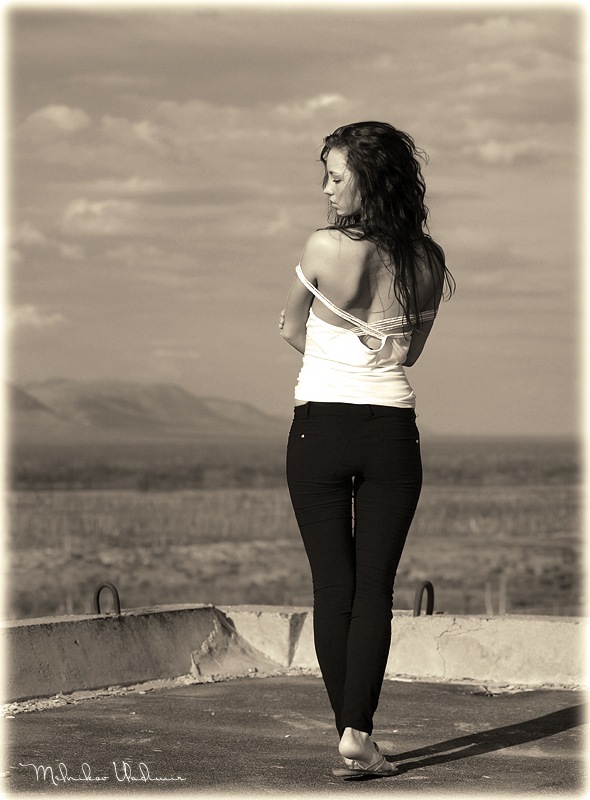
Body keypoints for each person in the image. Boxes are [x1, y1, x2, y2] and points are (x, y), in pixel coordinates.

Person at [279, 121, 455, 778]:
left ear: (368, 180)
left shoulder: (323, 247)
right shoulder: (428, 262)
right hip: (391, 433)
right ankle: (359, 733)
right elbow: (408, 354)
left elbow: (290, 327)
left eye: (335, 176)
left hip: (319, 428)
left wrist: (331, 357)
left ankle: (349, 733)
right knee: (375, 588)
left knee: (334, 586)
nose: (326, 190)